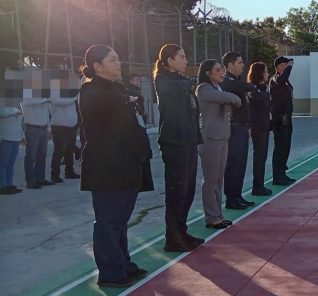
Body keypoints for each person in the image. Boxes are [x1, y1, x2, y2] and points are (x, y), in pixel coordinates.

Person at [78, 45, 153, 288]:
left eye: (118, 59)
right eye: (112, 60)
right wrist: (127, 99)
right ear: (98, 66)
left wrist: (129, 99)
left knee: (120, 220)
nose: (118, 63)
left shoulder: (116, 89)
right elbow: (104, 105)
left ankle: (122, 263)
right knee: (108, 221)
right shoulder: (91, 91)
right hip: (106, 167)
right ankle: (110, 272)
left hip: (127, 164)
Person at [153, 44, 204, 252]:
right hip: (174, 142)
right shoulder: (163, 80)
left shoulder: (182, 82)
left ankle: (182, 231)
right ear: (169, 60)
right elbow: (173, 88)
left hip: (189, 140)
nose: (185, 60)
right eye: (181, 57)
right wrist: (193, 81)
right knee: (176, 191)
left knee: (188, 189)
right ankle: (172, 237)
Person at [195, 60, 241, 230]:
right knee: (211, 179)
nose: (222, 72)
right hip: (210, 138)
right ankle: (211, 216)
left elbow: (226, 99)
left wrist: (231, 99)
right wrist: (234, 98)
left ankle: (218, 214)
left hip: (222, 136)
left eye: (222, 69)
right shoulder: (204, 88)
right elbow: (227, 98)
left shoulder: (218, 88)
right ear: (208, 73)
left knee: (219, 178)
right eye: (218, 70)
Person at [220, 52, 257, 209]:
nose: (242, 65)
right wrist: (252, 86)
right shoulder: (227, 81)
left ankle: (237, 195)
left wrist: (248, 126)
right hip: (234, 128)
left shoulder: (236, 81)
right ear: (230, 65)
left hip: (242, 127)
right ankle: (231, 198)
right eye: (239, 62)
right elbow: (244, 87)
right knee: (233, 163)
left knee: (241, 164)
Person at [270, 56, 297, 186]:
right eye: (286, 64)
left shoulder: (285, 81)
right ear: (280, 66)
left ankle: (282, 174)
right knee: (280, 147)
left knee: (286, 147)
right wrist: (289, 67)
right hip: (279, 119)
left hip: (287, 117)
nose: (288, 66)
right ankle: (277, 176)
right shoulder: (276, 79)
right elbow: (281, 80)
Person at [247, 62, 273, 196]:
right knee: (259, 156)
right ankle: (257, 186)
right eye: (266, 71)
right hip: (258, 126)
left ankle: (260, 184)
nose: (268, 74)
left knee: (262, 156)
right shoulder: (254, 88)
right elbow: (255, 98)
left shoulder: (263, 88)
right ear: (260, 73)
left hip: (264, 125)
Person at [21, 96, 52, 189]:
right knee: (31, 156)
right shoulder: (27, 96)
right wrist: (46, 99)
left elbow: (47, 113)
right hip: (32, 128)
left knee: (42, 155)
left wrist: (49, 128)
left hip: (44, 128)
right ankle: (30, 181)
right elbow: (31, 102)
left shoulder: (43, 98)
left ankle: (40, 178)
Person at [50, 95, 81, 183]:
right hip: (59, 126)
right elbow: (59, 102)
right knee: (59, 151)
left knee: (70, 150)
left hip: (71, 126)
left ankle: (69, 172)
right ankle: (55, 175)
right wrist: (74, 98)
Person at [0, 106, 24, 195]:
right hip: (5, 139)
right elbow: (2, 113)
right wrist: (13, 113)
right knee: (3, 164)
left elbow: (19, 124)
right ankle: (2, 186)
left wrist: (22, 136)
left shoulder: (15, 108)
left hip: (15, 139)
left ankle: (9, 184)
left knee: (11, 164)